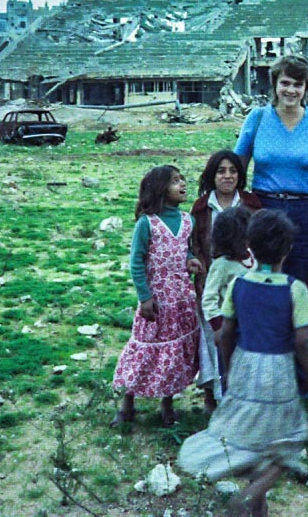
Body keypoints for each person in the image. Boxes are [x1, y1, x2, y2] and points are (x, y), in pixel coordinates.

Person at [177, 209, 308, 517]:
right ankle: (249, 495)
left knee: (256, 444)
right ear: (288, 249)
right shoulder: (295, 290)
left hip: (243, 366)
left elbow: (226, 333)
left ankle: (258, 511)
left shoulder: (240, 284)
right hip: (278, 372)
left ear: (250, 247)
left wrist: (227, 369)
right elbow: (302, 341)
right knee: (285, 445)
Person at [234, 55, 308, 293]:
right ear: (275, 84)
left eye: (297, 84)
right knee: (264, 282)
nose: (291, 90)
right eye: (285, 83)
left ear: (306, 88)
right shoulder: (257, 118)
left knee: (302, 285)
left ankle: (299, 331)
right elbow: (235, 166)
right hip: (265, 209)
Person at [111, 165, 203, 427]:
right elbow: (136, 262)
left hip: (181, 299)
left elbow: (182, 250)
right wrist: (145, 297)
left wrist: (191, 260)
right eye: (175, 181)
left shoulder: (188, 220)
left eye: (182, 179)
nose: (182, 184)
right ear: (160, 188)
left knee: (173, 350)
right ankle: (127, 402)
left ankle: (167, 403)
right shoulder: (146, 223)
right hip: (157, 300)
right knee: (144, 348)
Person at [191, 150, 261, 412]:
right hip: (211, 281)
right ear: (213, 175)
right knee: (212, 340)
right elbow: (195, 244)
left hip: (246, 286)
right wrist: (200, 273)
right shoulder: (201, 207)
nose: (227, 176)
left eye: (233, 171)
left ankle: (244, 397)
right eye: (221, 171)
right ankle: (212, 393)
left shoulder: (252, 204)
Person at [198, 206, 253, 406]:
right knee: (229, 370)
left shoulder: (252, 258)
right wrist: (218, 327)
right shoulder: (221, 265)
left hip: (251, 327)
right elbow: (209, 298)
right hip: (228, 328)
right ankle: (230, 409)